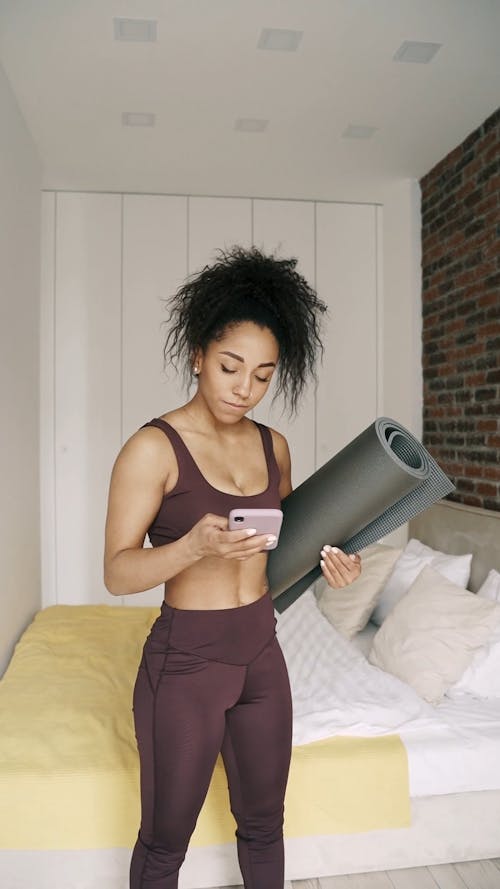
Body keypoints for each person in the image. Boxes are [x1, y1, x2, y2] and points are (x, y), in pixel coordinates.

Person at [103, 246, 362, 889]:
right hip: (187, 663)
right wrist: (192, 548)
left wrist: (332, 567)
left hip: (261, 654)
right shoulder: (151, 448)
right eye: (230, 367)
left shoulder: (273, 446)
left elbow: (284, 554)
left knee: (265, 826)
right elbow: (117, 572)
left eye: (263, 375)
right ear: (197, 356)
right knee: (166, 844)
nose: (245, 388)